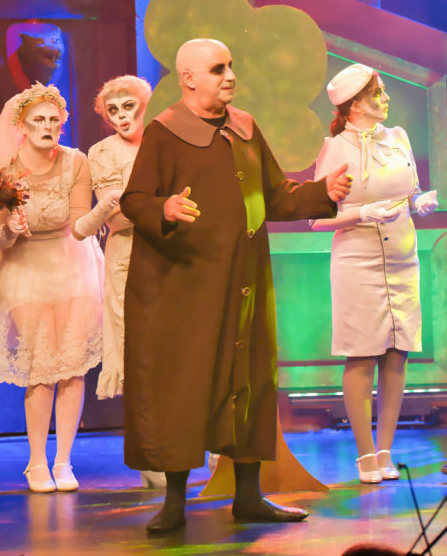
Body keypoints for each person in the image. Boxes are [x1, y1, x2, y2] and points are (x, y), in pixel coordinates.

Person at [120, 38, 352, 533]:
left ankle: (249, 494)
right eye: (217, 68)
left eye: (230, 66)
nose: (229, 75)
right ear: (188, 79)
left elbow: (275, 195)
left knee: (248, 379)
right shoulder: (165, 132)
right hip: (188, 285)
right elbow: (135, 199)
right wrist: (164, 208)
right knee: (186, 385)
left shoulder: (244, 126)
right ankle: (175, 500)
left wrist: (321, 192)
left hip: (244, 279)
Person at [0, 83, 106, 493]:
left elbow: (80, 223)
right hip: (23, 268)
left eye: (54, 120)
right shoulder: (0, 170)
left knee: (72, 366)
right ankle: (36, 462)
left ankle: (64, 460)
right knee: (42, 366)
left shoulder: (76, 162)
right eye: (39, 120)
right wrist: (10, 229)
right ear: (22, 126)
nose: (47, 126)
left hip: (71, 262)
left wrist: (105, 210)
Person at [311, 63, 438, 483]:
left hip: (402, 257)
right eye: (377, 94)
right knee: (363, 353)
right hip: (357, 260)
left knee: (397, 353)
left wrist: (419, 202)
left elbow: (409, 191)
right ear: (355, 106)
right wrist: (362, 213)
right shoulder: (335, 149)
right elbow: (317, 217)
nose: (386, 99)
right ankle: (365, 454)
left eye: (383, 91)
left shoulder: (398, 137)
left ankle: (386, 450)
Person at [75, 75, 165, 489]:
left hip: (173, 256)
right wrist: (166, 207)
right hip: (129, 258)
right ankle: (150, 453)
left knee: (177, 353)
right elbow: (118, 218)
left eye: (128, 106)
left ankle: (186, 447)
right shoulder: (103, 153)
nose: (121, 117)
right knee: (139, 357)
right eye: (112, 110)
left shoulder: (165, 141)